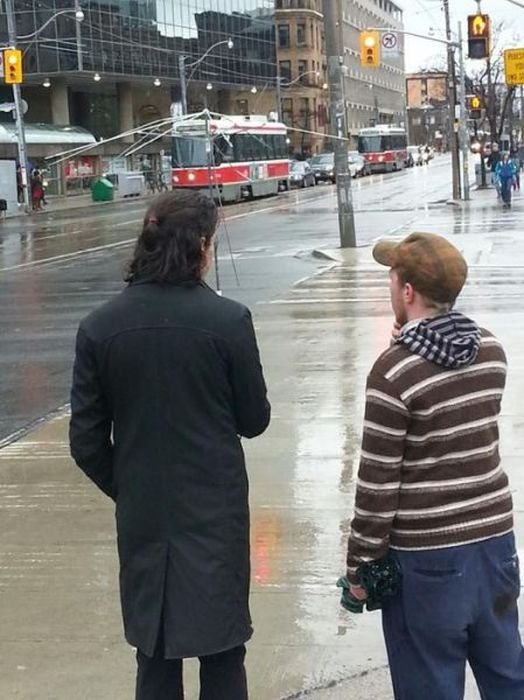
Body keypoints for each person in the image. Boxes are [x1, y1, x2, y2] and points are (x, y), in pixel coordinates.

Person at [69, 190, 270, 700]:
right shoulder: (228, 321)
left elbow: (86, 442)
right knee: (223, 651)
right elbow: (254, 420)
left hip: (145, 516)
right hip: (215, 512)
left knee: (154, 654)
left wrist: (129, 485)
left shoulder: (99, 328)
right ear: (200, 246)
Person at [345, 232, 524, 700]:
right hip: (495, 547)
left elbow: (377, 486)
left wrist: (360, 568)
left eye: (392, 276)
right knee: (508, 677)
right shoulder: (491, 351)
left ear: (407, 291)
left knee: (429, 685)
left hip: (427, 559)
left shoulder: (393, 373)